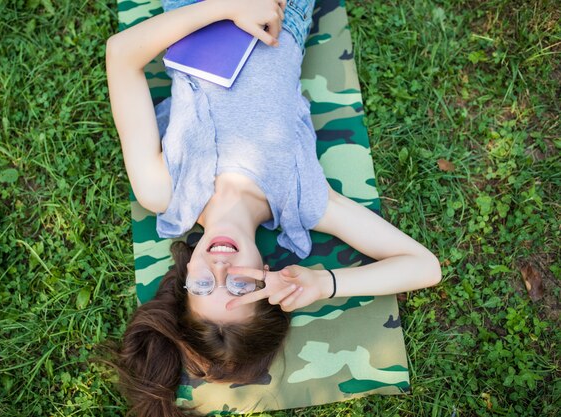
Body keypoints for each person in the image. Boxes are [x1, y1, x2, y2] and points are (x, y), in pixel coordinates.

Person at [105, 0, 442, 415]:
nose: (221, 270)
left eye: (204, 286)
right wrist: (323, 284)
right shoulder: (305, 200)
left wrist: (224, 8)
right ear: (267, 279)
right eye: (241, 287)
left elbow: (121, 54)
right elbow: (425, 267)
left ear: (186, 276)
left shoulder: (164, 192)